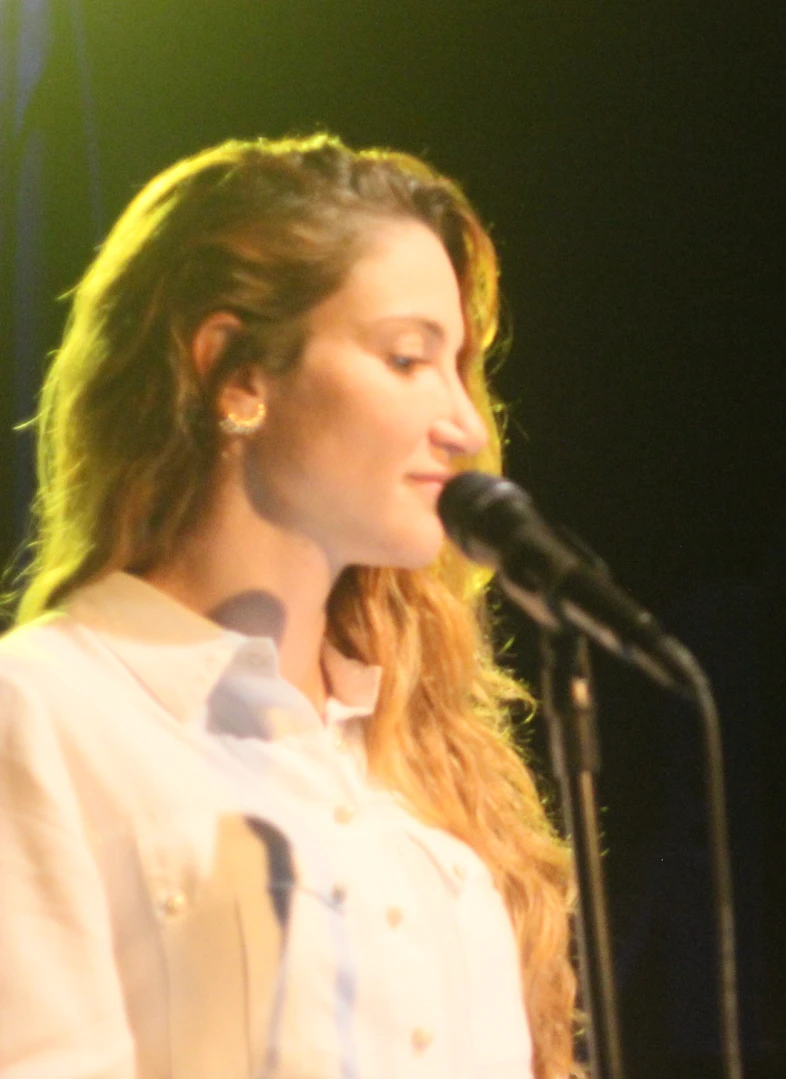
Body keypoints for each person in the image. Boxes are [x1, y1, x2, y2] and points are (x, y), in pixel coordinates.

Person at [0, 135, 574, 1079]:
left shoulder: (414, 757)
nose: (465, 423)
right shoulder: (48, 710)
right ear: (238, 373)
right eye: (406, 359)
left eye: (459, 366)